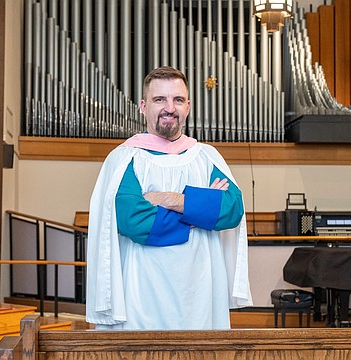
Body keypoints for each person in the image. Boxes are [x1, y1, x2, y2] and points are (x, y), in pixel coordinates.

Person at [86, 66, 252, 330]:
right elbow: (132, 219)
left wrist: (168, 198)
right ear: (143, 106)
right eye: (159, 99)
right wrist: (202, 212)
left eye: (177, 100)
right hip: (143, 294)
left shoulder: (205, 157)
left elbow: (232, 209)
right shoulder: (126, 158)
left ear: (188, 106)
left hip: (200, 294)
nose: (169, 108)